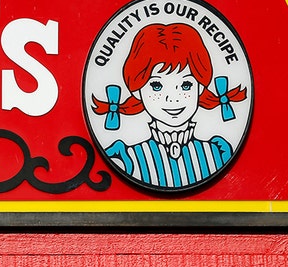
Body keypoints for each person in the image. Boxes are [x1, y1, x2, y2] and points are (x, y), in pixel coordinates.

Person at [92, 23, 247, 189]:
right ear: (137, 90)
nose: (172, 98)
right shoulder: (128, 158)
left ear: (201, 87)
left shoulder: (217, 153)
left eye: (186, 85)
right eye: (157, 85)